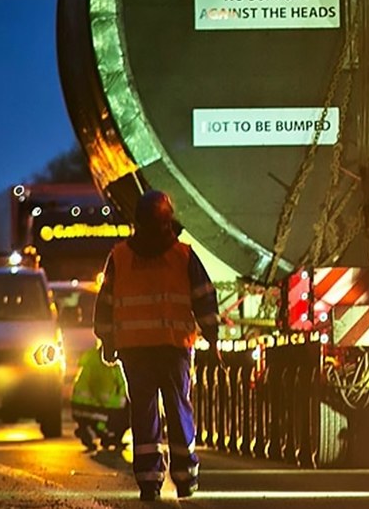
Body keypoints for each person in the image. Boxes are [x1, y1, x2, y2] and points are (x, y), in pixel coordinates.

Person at [95, 190, 219, 502]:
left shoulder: (120, 256)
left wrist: (107, 341)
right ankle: (185, 476)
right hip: (173, 348)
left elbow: (106, 302)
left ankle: (149, 479)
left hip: (134, 350)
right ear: (168, 220)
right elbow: (204, 297)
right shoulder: (183, 256)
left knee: (143, 414)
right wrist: (213, 336)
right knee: (179, 410)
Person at [71, 339, 129, 451]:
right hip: (96, 407)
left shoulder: (91, 356)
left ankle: (96, 431)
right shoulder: (115, 362)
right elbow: (122, 386)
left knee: (106, 416)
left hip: (77, 406)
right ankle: (102, 434)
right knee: (126, 414)